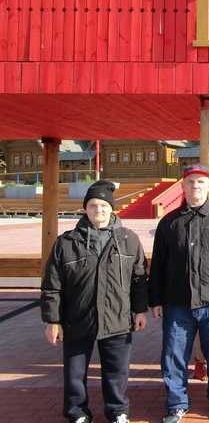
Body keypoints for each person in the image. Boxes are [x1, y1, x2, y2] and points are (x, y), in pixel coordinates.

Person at [41, 180, 148, 423]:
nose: (98, 210)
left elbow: (139, 279)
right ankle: (77, 412)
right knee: (75, 374)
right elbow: (52, 285)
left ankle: (118, 411)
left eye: (103, 205)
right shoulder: (66, 243)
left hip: (117, 319)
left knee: (117, 373)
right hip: (78, 319)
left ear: (112, 209)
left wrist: (140, 311)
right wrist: (52, 320)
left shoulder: (128, 239)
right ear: (85, 209)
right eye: (92, 205)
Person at [149, 164, 209, 422]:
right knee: (173, 355)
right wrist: (155, 299)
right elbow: (157, 264)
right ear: (183, 186)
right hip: (177, 303)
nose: (195, 187)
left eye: (201, 183)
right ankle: (177, 403)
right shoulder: (169, 223)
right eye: (190, 182)